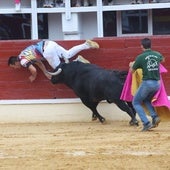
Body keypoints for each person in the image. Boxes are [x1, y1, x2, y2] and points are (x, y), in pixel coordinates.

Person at [8, 39, 99, 82]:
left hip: (46, 51)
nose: (16, 68)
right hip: (49, 43)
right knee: (67, 54)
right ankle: (86, 45)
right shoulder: (24, 53)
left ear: (15, 62)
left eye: (14, 66)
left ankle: (78, 61)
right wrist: (45, 72)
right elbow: (39, 62)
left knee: (60, 69)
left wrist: (33, 76)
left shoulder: (22, 61)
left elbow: (34, 70)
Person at [129, 38, 164, 132]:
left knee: (135, 102)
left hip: (147, 83)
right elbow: (162, 60)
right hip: (157, 84)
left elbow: (132, 71)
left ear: (142, 46)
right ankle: (155, 116)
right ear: (150, 45)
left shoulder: (140, 57)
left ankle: (146, 123)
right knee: (146, 99)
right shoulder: (157, 54)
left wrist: (132, 65)